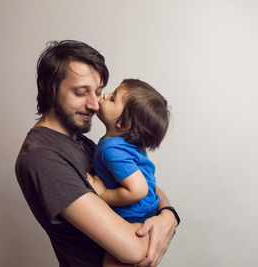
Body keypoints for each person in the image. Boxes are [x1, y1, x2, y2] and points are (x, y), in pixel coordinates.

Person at [15, 40, 179, 267]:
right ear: (47, 87)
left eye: (99, 92)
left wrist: (168, 216)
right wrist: (160, 223)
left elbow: (144, 184)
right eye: (81, 92)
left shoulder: (83, 142)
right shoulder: (43, 158)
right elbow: (134, 250)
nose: (94, 104)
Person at [87, 79, 180, 266]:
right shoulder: (125, 144)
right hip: (147, 209)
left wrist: (104, 194)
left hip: (134, 215)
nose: (105, 95)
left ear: (124, 123)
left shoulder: (113, 151)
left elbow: (138, 190)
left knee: (113, 259)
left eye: (113, 98)